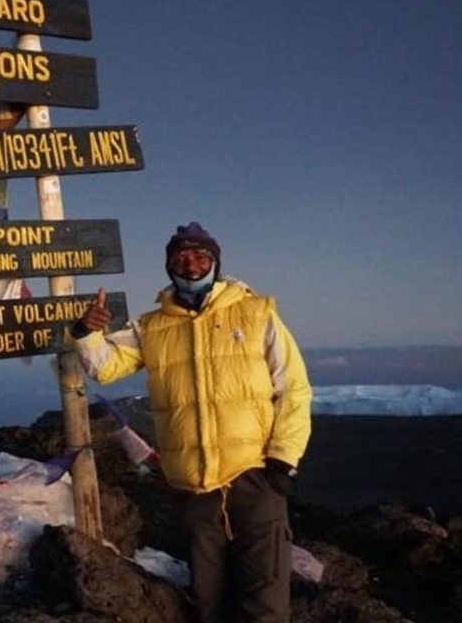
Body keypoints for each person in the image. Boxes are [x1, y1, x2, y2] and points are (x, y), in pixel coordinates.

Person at [72, 222, 312, 623]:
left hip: (254, 476)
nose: (192, 264)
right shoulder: (153, 326)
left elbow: (294, 389)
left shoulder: (256, 312)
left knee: (265, 598)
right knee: (208, 599)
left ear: (215, 262)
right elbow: (107, 367)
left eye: (201, 256)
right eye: (181, 257)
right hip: (192, 484)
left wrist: (283, 461)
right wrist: (86, 332)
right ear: (170, 265)